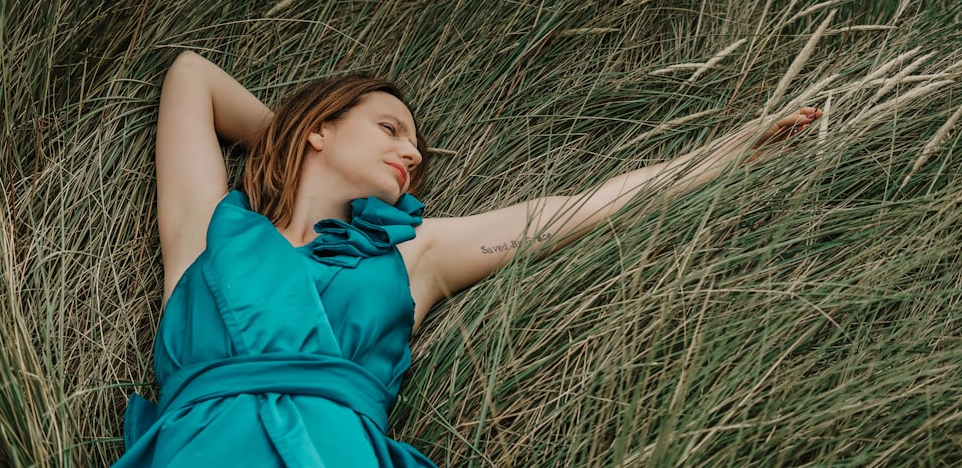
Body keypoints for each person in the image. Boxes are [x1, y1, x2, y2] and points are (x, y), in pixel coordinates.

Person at [114, 50, 822, 467]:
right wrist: (288, 137)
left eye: (414, 143)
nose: (412, 152)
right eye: (389, 128)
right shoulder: (206, 231)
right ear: (321, 129)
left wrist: (735, 149)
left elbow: (576, 209)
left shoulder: (414, 252)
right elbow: (190, 75)